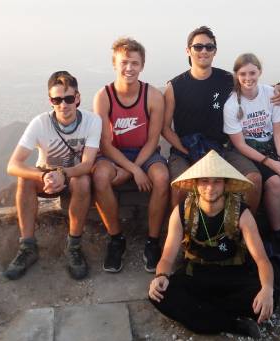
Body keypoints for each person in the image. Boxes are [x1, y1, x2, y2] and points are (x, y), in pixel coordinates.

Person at [148, 151, 274, 339]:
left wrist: (267, 290)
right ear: (196, 184)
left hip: (233, 274)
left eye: (216, 181)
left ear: (225, 184)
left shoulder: (242, 212)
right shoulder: (182, 211)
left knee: (270, 296)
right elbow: (167, 256)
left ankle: (204, 315)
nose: (210, 188)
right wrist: (161, 275)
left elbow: (262, 259)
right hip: (196, 274)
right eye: (204, 181)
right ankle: (234, 324)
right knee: (159, 294)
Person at [162, 26, 280, 213]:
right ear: (188, 51)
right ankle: (180, 235)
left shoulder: (227, 79)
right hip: (184, 150)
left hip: (221, 148)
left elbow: (253, 85)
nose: (204, 51)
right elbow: (165, 128)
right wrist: (185, 149)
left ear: (215, 51)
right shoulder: (175, 86)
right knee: (180, 186)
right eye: (198, 47)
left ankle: (243, 229)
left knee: (253, 178)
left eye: (209, 47)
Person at [4, 71, 101, 280]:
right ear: (50, 101)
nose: (63, 105)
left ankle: (73, 246)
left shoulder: (92, 121)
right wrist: (42, 177)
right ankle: (27, 246)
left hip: (73, 176)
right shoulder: (40, 123)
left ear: (77, 98)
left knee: (83, 181)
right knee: (24, 179)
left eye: (68, 99)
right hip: (45, 178)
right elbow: (13, 165)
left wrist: (62, 174)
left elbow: (87, 164)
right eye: (57, 99)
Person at [92, 37, 169, 273]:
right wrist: (132, 170)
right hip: (114, 154)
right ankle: (116, 239)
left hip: (145, 153)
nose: (129, 68)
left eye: (135, 63)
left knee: (162, 178)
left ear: (142, 65)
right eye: (124, 62)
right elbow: (105, 145)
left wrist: (136, 167)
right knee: (101, 177)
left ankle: (152, 242)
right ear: (114, 64)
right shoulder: (104, 97)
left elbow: (152, 140)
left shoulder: (153, 96)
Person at [223, 53, 280, 245]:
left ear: (260, 72)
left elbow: (278, 131)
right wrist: (269, 162)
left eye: (252, 72)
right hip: (249, 150)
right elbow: (239, 144)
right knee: (275, 183)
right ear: (236, 75)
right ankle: (278, 233)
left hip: (271, 145)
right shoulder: (231, 104)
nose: (248, 78)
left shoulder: (270, 94)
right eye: (243, 73)